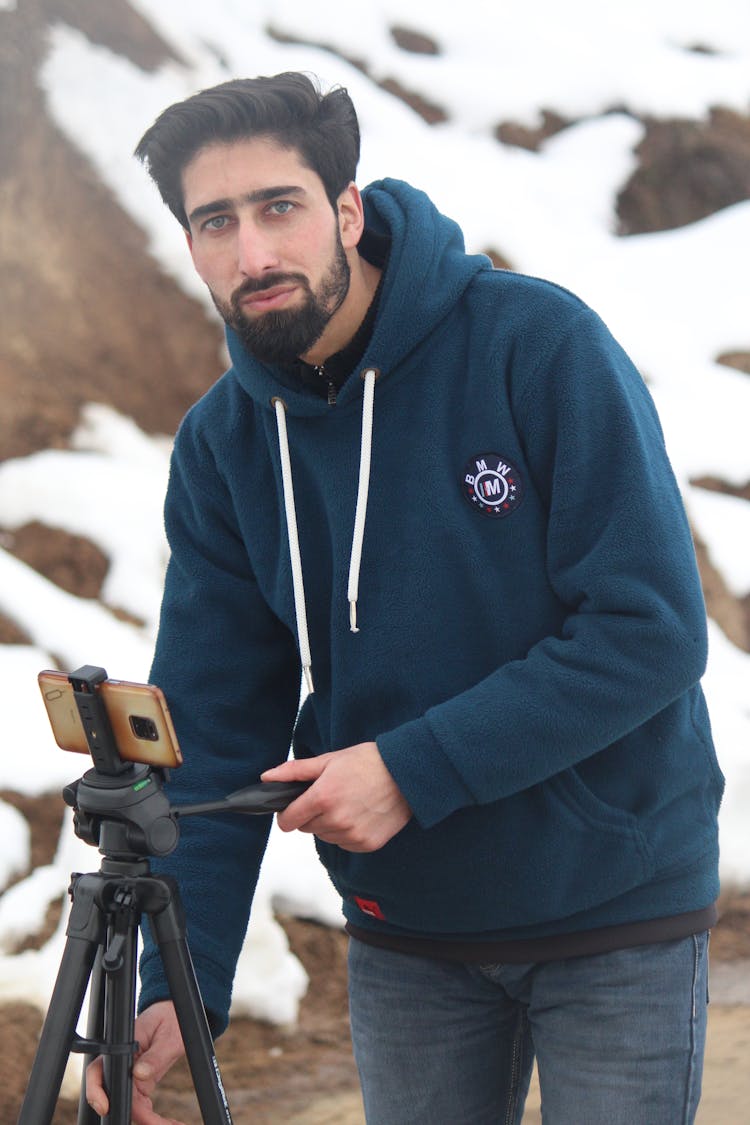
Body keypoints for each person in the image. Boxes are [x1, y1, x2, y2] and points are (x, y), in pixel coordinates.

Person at [87, 72, 723, 1124]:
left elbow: (649, 630)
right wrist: (180, 982)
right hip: (407, 931)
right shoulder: (226, 445)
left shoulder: (538, 346)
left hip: (613, 913)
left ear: (346, 208)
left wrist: (413, 771)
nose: (253, 254)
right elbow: (213, 716)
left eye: (280, 207)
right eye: (217, 222)